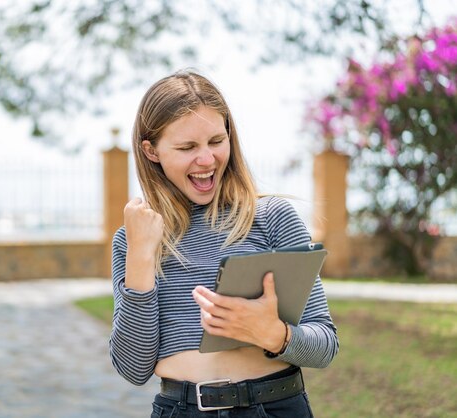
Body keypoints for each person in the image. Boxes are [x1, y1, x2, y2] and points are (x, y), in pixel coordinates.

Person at [109, 69, 339, 417]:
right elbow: (133, 368)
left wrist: (274, 334)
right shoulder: (134, 239)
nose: (207, 160)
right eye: (187, 147)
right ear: (151, 151)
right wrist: (141, 256)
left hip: (273, 407)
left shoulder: (272, 217)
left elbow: (325, 346)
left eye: (217, 141)